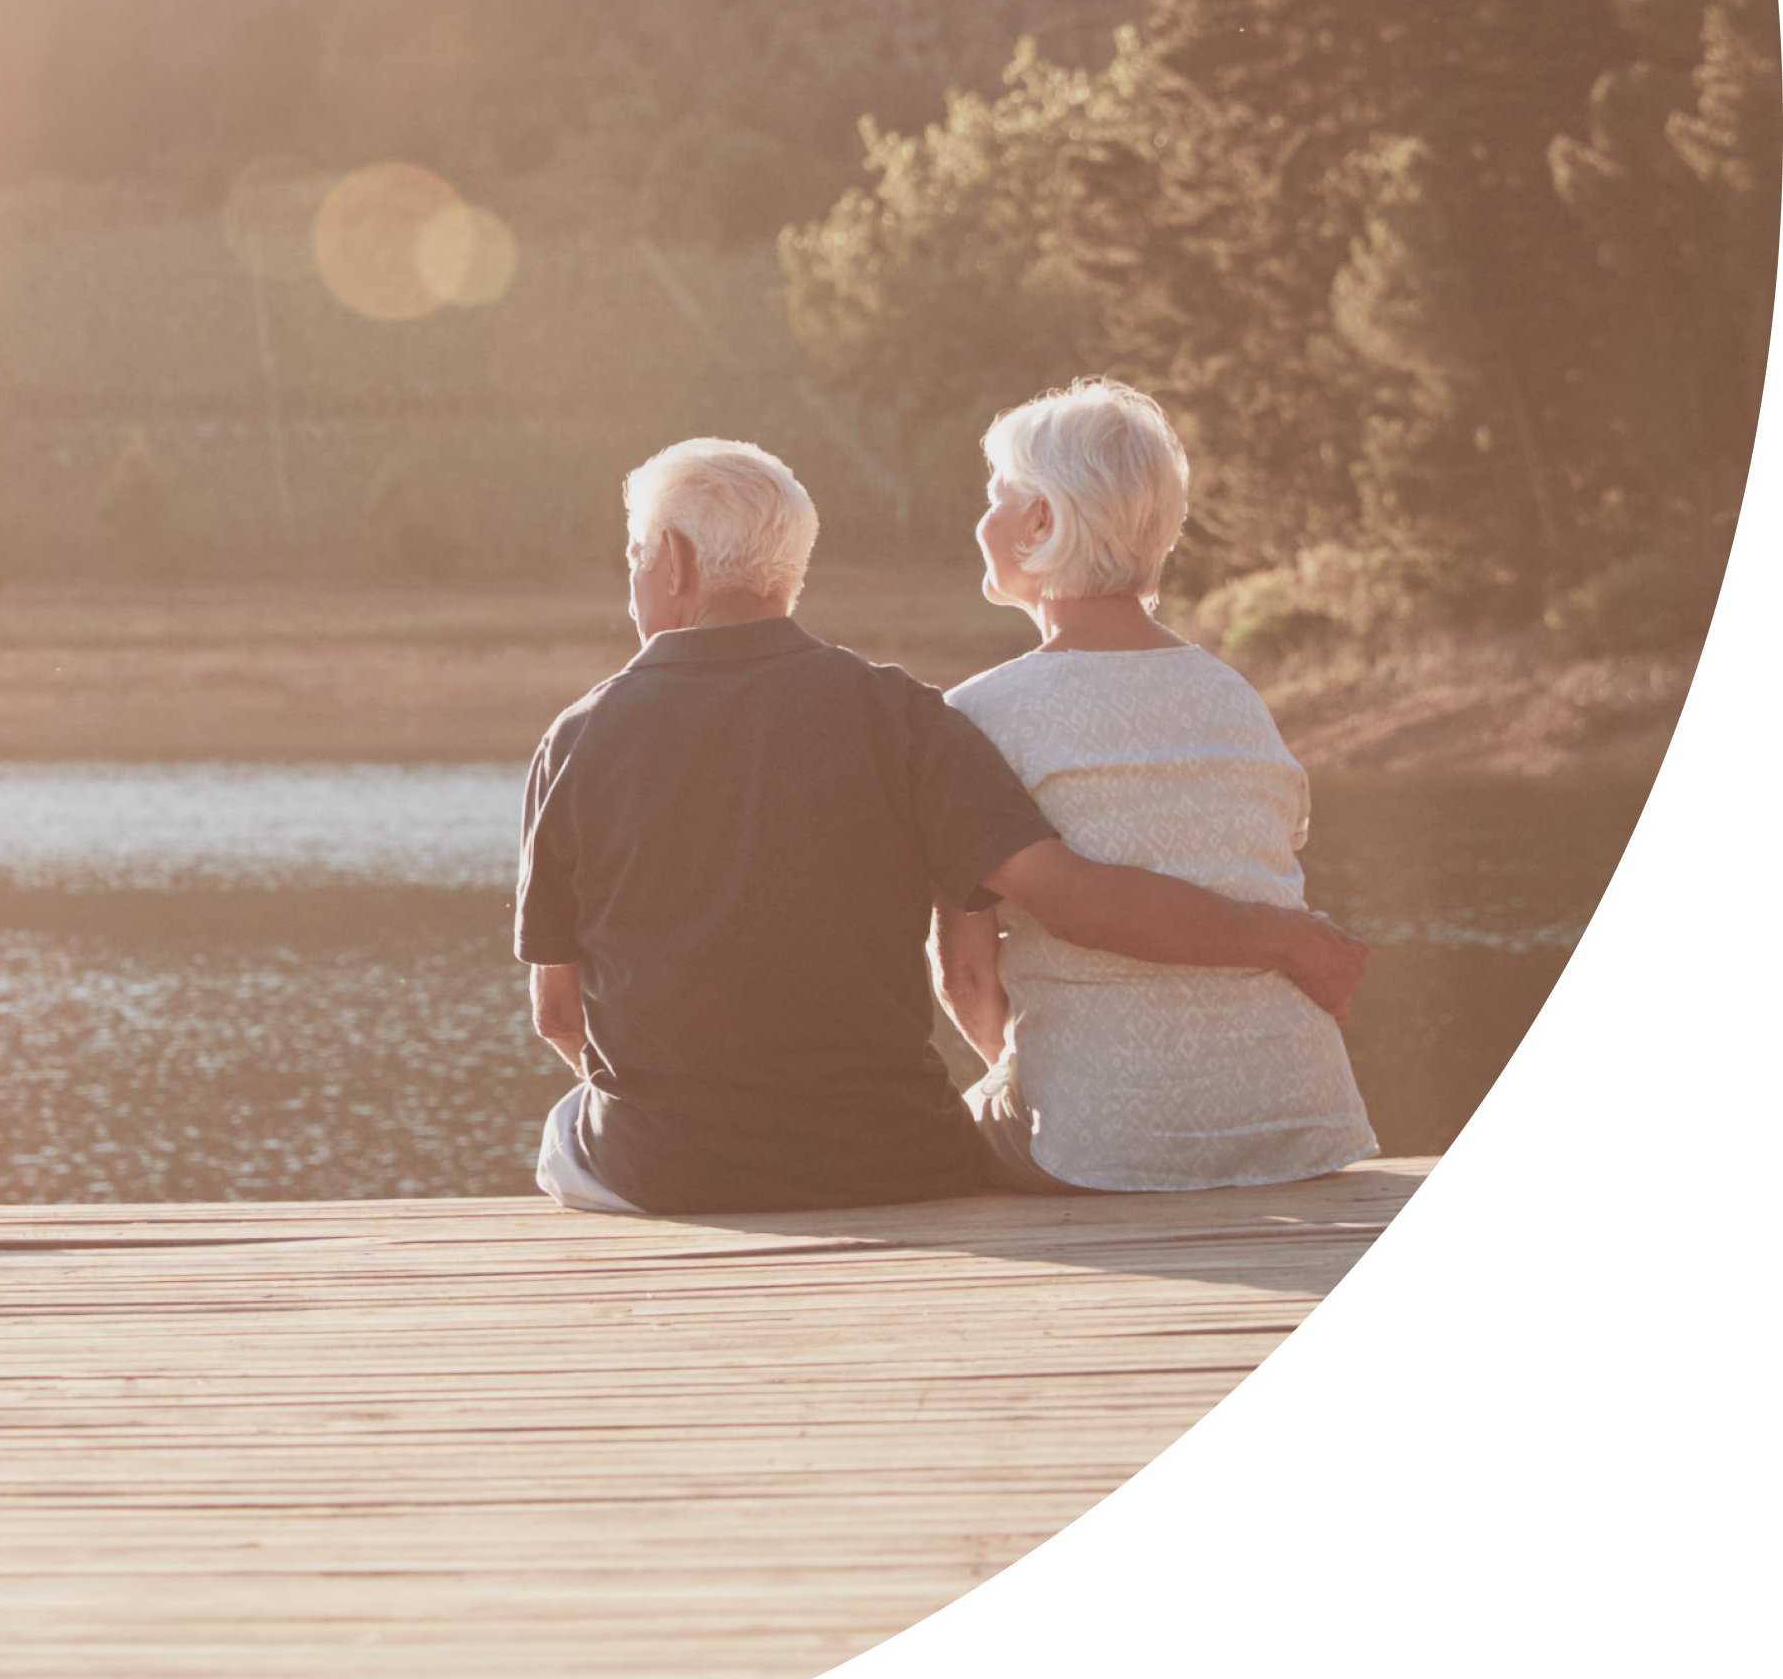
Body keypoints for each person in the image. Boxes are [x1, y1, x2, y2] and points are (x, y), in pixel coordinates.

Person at [517, 435, 1367, 1216]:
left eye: (634, 557)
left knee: (566, 1132)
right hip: (894, 1159)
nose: (632, 582)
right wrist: (1283, 938)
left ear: (671, 562)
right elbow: (1047, 902)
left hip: (664, 1168)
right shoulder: (906, 716)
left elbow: (558, 1015)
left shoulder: (576, 739)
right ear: (790, 571)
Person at [930, 381, 1379, 1192]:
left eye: (996, 497)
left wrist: (1039, 1080)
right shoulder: (1235, 697)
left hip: (1101, 1146)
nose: (982, 521)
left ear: (1041, 522)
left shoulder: (976, 716)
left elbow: (964, 980)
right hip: (1300, 1124)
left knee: (942, 1141)